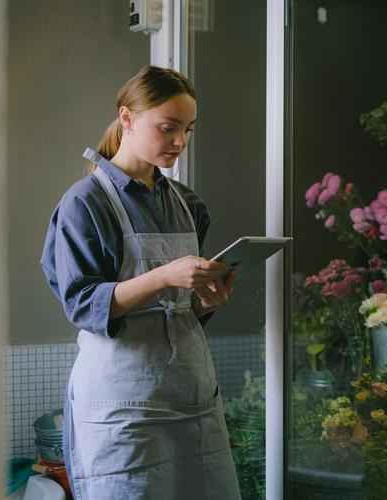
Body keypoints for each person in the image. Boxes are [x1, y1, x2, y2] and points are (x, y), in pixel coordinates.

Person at [40, 65, 241, 500]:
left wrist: (207, 300)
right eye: (168, 128)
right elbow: (82, 304)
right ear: (127, 118)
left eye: (188, 129)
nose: (180, 142)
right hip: (123, 408)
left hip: (192, 401)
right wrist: (165, 275)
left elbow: (178, 310)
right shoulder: (85, 203)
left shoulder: (188, 204)